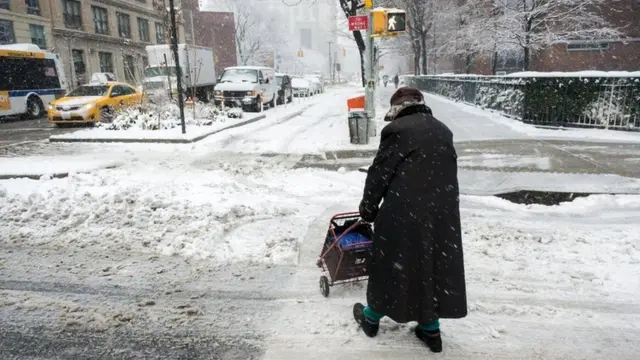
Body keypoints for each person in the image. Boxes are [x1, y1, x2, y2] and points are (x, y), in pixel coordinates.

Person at [354, 87, 467, 353]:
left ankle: (370, 319)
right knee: (430, 266)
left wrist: (368, 209)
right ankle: (431, 330)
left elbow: (379, 174)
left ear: (396, 109)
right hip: (441, 215)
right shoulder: (443, 130)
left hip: (403, 212)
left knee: (392, 266)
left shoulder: (397, 131)